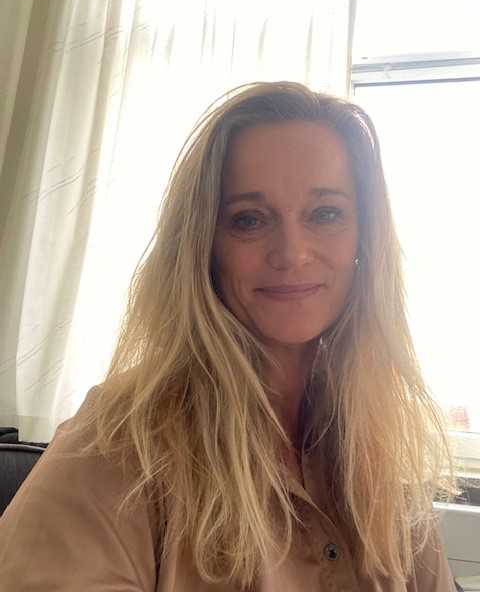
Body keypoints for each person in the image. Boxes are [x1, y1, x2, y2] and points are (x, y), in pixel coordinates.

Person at [0, 81, 459, 591]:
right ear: (204, 246)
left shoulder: (378, 439)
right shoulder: (117, 442)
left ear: (364, 240)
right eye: (249, 219)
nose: (292, 252)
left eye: (325, 213)